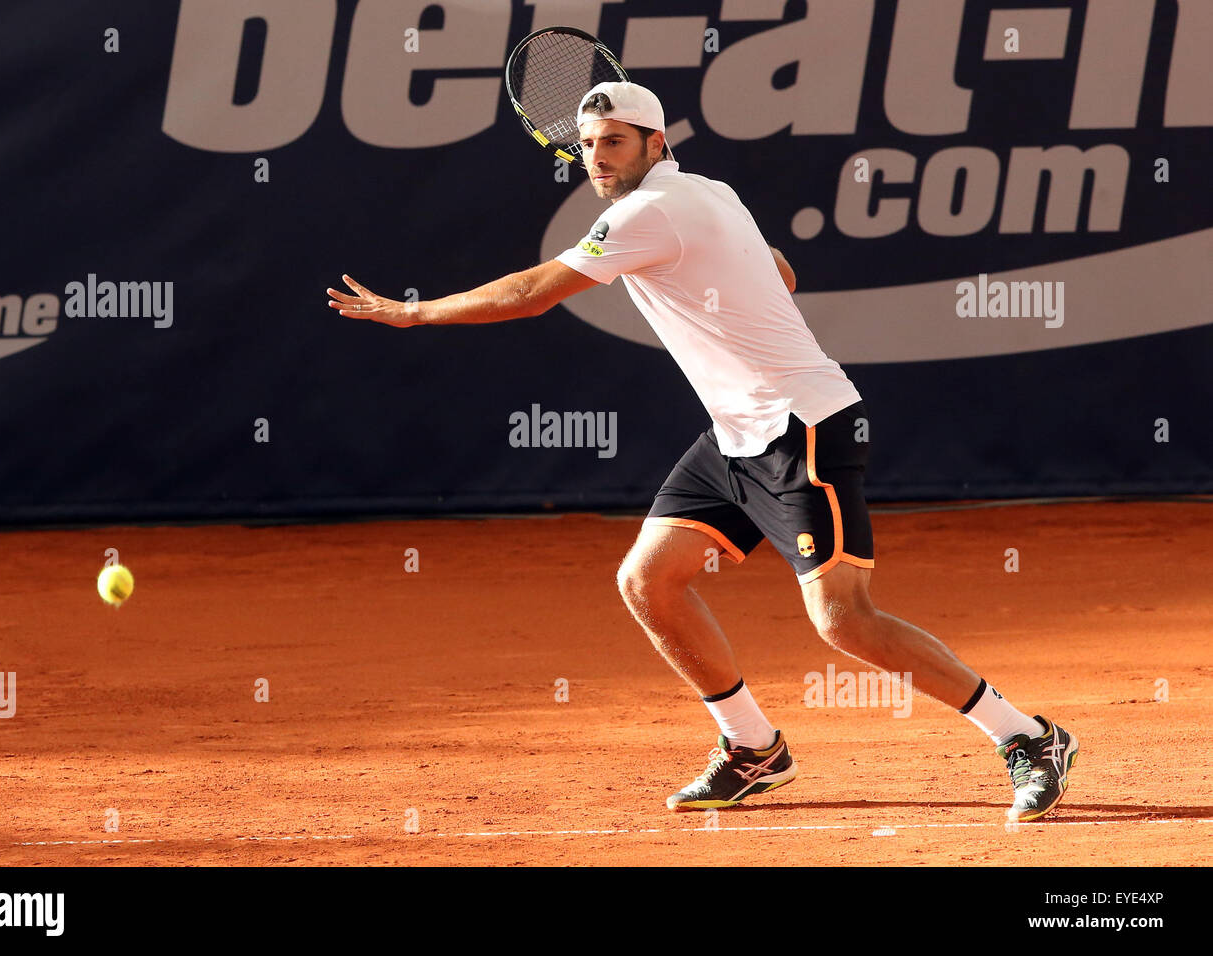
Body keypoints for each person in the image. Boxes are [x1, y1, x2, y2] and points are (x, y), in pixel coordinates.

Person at [326, 81, 1080, 822]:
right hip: (735, 436)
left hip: (802, 427)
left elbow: (533, 290)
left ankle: (1029, 738)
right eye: (587, 145)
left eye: (614, 142)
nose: (596, 157)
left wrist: (416, 312)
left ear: (658, 144)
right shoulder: (709, 194)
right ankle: (755, 748)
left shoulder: (651, 211)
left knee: (843, 621)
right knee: (649, 580)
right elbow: (783, 272)